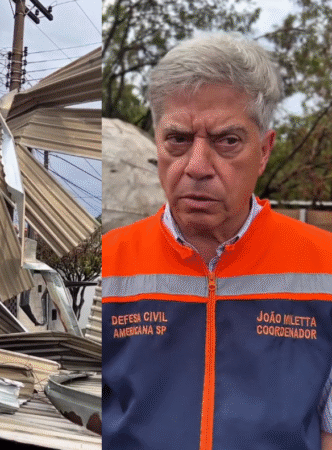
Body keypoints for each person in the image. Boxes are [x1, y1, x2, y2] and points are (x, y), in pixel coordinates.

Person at [102, 33, 332, 450]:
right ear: (157, 141)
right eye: (178, 139)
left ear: (264, 151)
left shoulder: (324, 265)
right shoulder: (111, 261)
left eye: (228, 141)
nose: (197, 167)